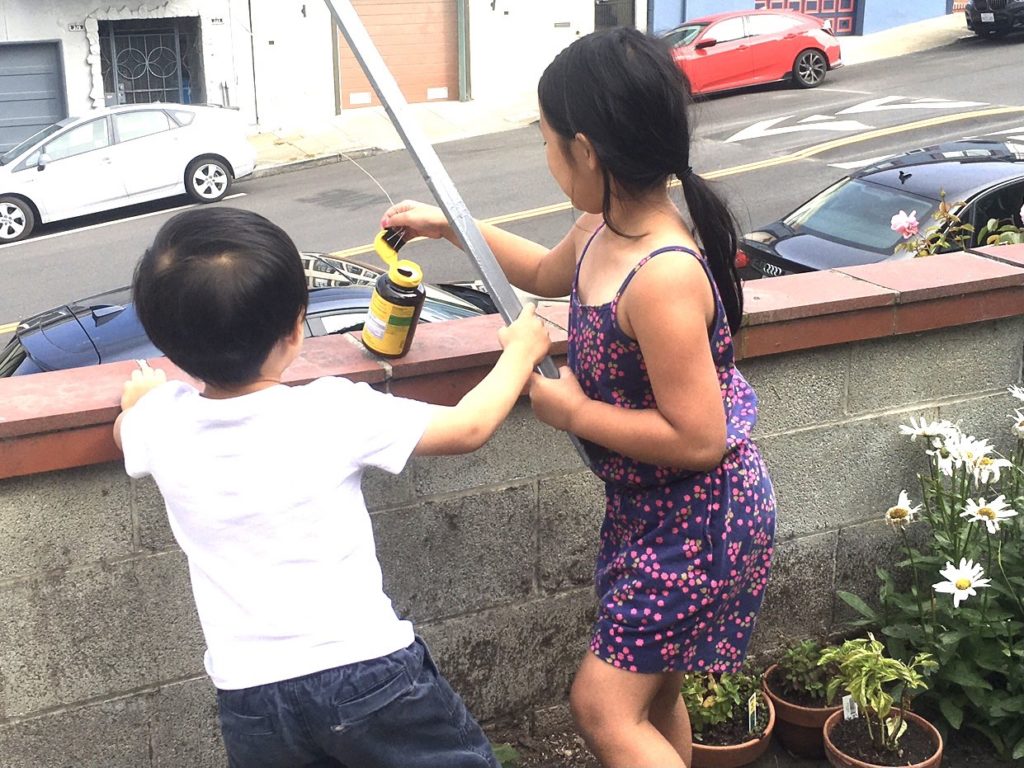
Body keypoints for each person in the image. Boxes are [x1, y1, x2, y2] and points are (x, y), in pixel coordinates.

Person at [381, 27, 776, 768]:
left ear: (587, 152)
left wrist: (573, 413)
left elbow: (699, 438)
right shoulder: (604, 225)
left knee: (601, 706)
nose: (547, 156)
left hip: (702, 519)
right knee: (653, 697)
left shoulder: (660, 275)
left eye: (548, 141)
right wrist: (449, 228)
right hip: (651, 511)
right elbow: (539, 271)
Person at [112, 207, 550, 768]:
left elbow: (128, 430)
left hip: (250, 696)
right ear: (296, 329)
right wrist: (521, 350)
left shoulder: (161, 423)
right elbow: (467, 428)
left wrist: (140, 399)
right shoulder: (329, 408)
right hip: (366, 673)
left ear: (167, 344)